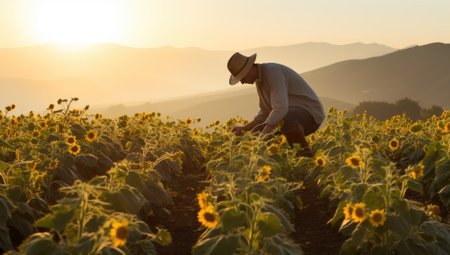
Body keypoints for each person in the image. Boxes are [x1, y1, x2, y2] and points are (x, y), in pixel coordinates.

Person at [227, 52, 325, 157]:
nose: (242, 82)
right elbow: (265, 112)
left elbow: (281, 109)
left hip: (311, 115)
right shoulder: (259, 80)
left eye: (242, 78)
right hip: (293, 115)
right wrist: (245, 128)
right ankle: (281, 162)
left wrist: (263, 137)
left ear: (249, 69)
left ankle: (305, 155)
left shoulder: (273, 72)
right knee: (256, 132)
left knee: (283, 119)